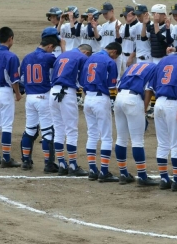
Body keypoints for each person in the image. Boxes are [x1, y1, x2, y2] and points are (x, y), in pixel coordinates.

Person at [147, 43, 177, 190]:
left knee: (162, 143)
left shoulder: (163, 60)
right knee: (176, 143)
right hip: (174, 104)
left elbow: (152, 85)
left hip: (158, 103)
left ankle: (164, 179)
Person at [19, 28, 60, 172]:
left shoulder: (27, 57)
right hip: (43, 97)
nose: (52, 51)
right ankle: (49, 164)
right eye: (52, 48)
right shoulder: (49, 57)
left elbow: (22, 78)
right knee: (48, 131)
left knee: (30, 129)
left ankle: (25, 161)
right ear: (49, 46)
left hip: (30, 98)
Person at [80, 42, 121, 182]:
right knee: (106, 137)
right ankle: (104, 171)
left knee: (92, 134)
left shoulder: (89, 58)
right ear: (113, 52)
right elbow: (112, 86)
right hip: (101, 99)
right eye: (116, 56)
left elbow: (82, 82)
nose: (115, 58)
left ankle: (92, 170)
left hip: (87, 99)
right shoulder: (110, 61)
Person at [114, 60, 160, 186]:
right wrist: (143, 110)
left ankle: (123, 174)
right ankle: (142, 176)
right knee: (137, 140)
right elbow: (149, 90)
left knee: (121, 138)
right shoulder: (155, 67)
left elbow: (118, 85)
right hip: (133, 99)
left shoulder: (133, 66)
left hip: (119, 98)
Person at [50, 44, 92, 176]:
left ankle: (62, 164)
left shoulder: (62, 55)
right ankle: (73, 166)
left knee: (58, 129)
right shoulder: (82, 57)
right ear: (86, 52)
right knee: (71, 130)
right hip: (66, 93)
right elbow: (84, 79)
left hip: (53, 92)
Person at [0, 27, 22, 167]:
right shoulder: (11, 56)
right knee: (6, 126)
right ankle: (6, 158)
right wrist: (18, 93)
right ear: (10, 38)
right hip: (5, 92)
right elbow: (14, 79)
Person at [115, 5, 137, 74]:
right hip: (124, 56)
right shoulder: (124, 26)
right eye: (124, 16)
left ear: (133, 15)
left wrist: (131, 57)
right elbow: (119, 41)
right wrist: (117, 32)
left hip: (134, 57)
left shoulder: (138, 26)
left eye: (127, 16)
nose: (126, 18)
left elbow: (139, 45)